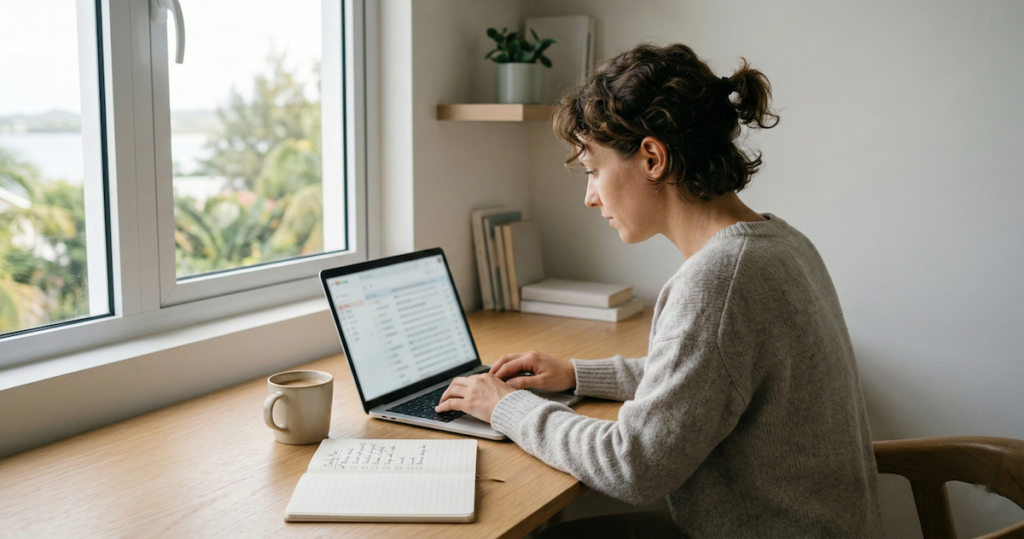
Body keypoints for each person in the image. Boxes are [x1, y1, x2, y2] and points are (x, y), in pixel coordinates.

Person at [436, 43, 883, 537]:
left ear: (652, 157)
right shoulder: (779, 243)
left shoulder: (718, 283)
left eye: (592, 172)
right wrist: (576, 373)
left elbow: (632, 467)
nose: (589, 197)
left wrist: (504, 406)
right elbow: (711, 372)